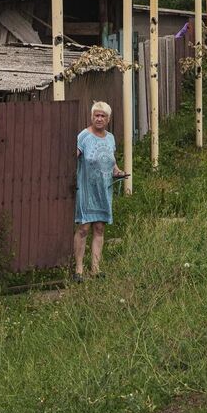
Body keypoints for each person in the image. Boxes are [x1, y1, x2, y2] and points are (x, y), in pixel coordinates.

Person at [73, 101, 125, 280]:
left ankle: (95, 268)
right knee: (84, 228)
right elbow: (73, 159)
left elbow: (110, 160)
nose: (99, 119)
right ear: (91, 117)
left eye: (103, 116)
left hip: (104, 189)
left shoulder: (110, 138)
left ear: (108, 119)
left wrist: (117, 171)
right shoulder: (84, 137)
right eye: (96, 115)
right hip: (86, 189)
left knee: (100, 227)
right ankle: (78, 269)